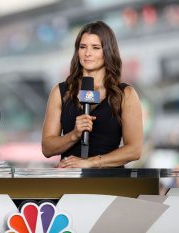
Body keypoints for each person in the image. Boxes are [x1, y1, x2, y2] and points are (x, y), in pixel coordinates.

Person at [41, 21, 142, 168]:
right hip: (70, 183)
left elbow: (134, 150)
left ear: (107, 51)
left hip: (109, 184)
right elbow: (47, 148)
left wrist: (91, 163)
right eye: (83, 47)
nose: (87, 53)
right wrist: (74, 134)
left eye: (95, 47)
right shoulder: (61, 92)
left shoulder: (125, 95)